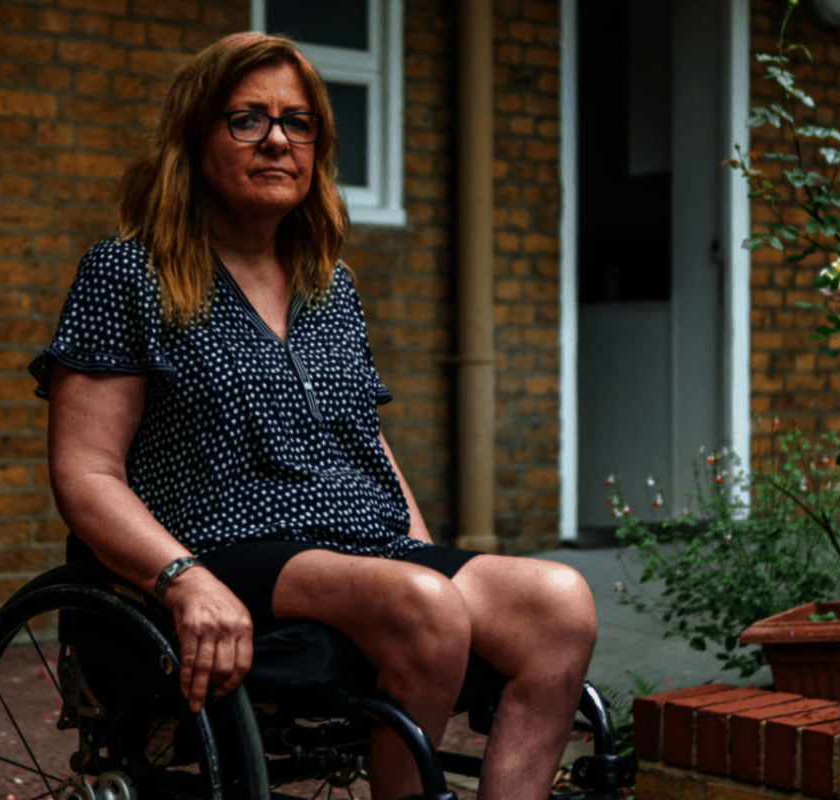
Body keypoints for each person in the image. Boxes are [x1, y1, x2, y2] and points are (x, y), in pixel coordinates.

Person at [29, 30, 597, 800]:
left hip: (355, 545)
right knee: (423, 605)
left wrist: (417, 547)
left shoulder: (329, 286)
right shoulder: (127, 274)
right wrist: (182, 577)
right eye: (246, 119)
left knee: (558, 602)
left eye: (298, 123)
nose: (276, 141)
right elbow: (85, 472)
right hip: (225, 541)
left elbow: (363, 437)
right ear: (195, 136)